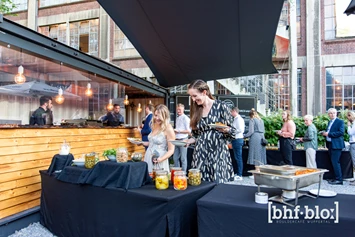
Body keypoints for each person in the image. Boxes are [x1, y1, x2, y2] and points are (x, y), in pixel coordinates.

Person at [185, 79, 236, 183]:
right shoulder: (196, 109)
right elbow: (196, 134)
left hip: (217, 152)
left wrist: (225, 129)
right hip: (200, 153)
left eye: (195, 96)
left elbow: (233, 132)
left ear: (204, 92)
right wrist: (190, 140)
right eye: (191, 97)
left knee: (218, 186)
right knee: (199, 183)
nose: (193, 100)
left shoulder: (221, 106)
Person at [142, 104, 175, 173]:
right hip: (148, 157)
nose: (157, 118)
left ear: (165, 117)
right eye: (156, 115)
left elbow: (171, 150)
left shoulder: (168, 128)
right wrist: (142, 143)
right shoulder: (154, 125)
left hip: (160, 159)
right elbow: (153, 142)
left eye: (159, 116)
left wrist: (161, 159)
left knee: (159, 181)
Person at [321, 108, 344, 185]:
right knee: (332, 162)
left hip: (336, 145)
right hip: (330, 144)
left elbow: (341, 132)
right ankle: (335, 177)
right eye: (330, 113)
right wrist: (325, 133)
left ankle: (339, 179)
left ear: (336, 113)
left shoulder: (340, 121)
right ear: (328, 114)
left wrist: (328, 134)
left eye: (334, 113)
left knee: (335, 162)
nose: (332, 114)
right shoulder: (329, 122)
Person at [173, 103, 191, 172]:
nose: (178, 111)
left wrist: (178, 131)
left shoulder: (186, 118)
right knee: (175, 158)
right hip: (177, 139)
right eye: (177, 109)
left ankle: (183, 173)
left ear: (183, 109)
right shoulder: (177, 118)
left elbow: (188, 131)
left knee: (183, 158)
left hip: (183, 140)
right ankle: (177, 172)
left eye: (180, 109)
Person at [230, 107, 245, 181]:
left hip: (238, 139)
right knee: (237, 157)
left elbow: (241, 130)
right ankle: (238, 173)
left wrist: (231, 131)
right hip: (236, 139)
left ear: (234, 111)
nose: (230, 113)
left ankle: (240, 174)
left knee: (238, 158)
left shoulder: (239, 119)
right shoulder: (236, 119)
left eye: (231, 111)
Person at [347, 111, 355, 186]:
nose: (348, 118)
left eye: (348, 116)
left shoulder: (354, 124)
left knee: (354, 161)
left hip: (354, 143)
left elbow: (350, 133)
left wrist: (348, 126)